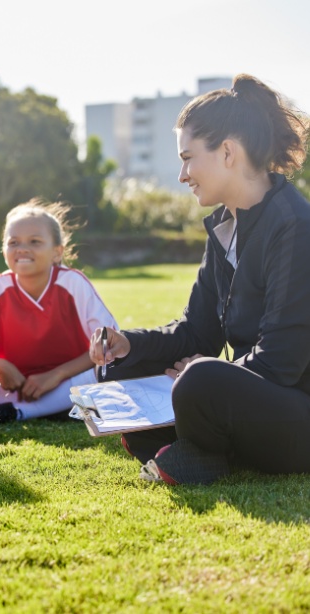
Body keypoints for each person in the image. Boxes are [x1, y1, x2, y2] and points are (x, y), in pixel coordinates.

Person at [89, 74, 310, 485]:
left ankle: (196, 449)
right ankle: (197, 448)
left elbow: (281, 361)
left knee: (201, 379)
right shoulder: (227, 226)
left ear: (227, 152)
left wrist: (205, 370)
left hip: (297, 411)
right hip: (247, 396)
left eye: (188, 158)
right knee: (125, 368)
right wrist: (129, 343)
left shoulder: (294, 226)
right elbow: (197, 332)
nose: (182, 174)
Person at [0, 199, 117, 422]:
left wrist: (56, 375)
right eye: (13, 242)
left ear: (57, 252)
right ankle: (59, 409)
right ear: (3, 250)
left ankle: (18, 412)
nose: (22, 248)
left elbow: (109, 344)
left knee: (108, 370)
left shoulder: (73, 283)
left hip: (70, 381)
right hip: (17, 387)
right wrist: (0, 367)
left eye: (34, 241)